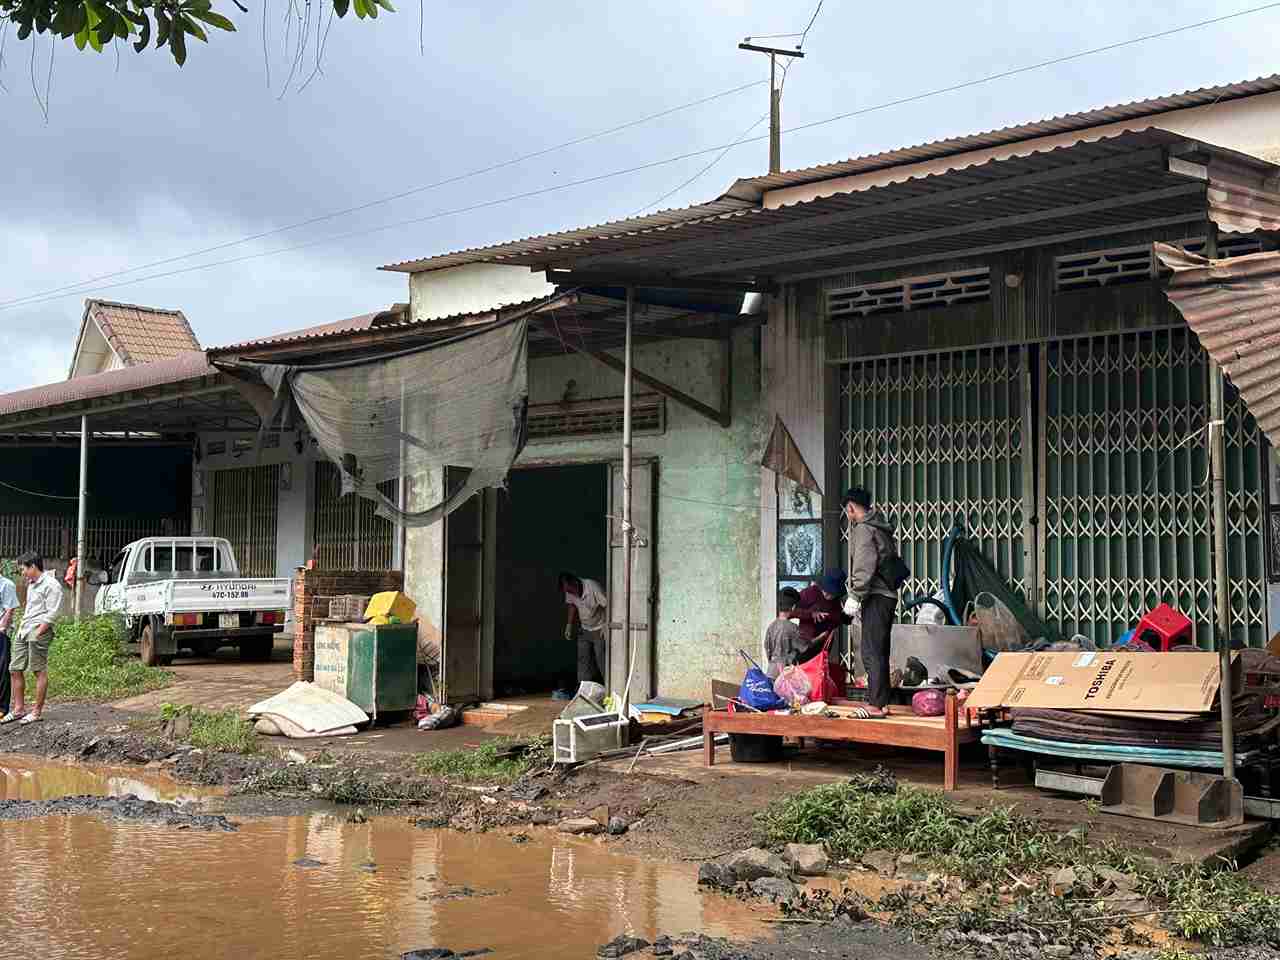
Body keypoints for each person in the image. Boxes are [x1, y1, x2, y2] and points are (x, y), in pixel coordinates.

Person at [844, 487, 900, 717]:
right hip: (886, 595)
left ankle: (876, 705)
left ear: (850, 507)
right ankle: (882, 701)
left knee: (871, 650)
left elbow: (864, 565)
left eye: (846, 511)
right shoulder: (880, 526)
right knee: (880, 649)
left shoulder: (864, 529)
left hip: (876, 595)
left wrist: (855, 596)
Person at [2, 552, 62, 725]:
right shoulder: (31, 584)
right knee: (14, 669)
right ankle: (19, 709)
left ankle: (36, 712)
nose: (22, 573)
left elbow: (53, 612)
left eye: (23, 569)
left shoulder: (51, 585)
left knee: (38, 670)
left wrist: (39, 631)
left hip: (38, 630)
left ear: (33, 566)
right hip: (24, 630)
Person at [560, 571, 609, 686]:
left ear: (575, 582)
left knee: (601, 658)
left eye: (571, 590)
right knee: (583, 659)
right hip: (584, 628)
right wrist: (569, 625)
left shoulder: (593, 587)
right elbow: (572, 605)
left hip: (599, 628)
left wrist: (607, 624)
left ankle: (609, 686)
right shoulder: (569, 590)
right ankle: (583, 690)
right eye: (567, 591)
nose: (570, 593)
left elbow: (608, 605)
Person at [794, 569, 854, 661]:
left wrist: (845, 617)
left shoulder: (837, 601)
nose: (826, 594)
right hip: (806, 643)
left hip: (824, 644)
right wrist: (811, 614)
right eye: (825, 590)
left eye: (831, 593)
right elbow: (792, 611)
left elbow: (837, 619)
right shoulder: (809, 593)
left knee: (820, 671)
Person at [763, 587, 804, 678]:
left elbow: (767, 647)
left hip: (771, 672)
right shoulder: (793, 628)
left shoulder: (771, 626)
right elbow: (804, 648)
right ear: (793, 607)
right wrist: (820, 638)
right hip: (787, 675)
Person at [0, 568, 17, 717]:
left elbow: (9, 609)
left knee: (2, 668)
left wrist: (2, 628)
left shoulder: (6, 584)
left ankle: (2, 708)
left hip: (1, 632)